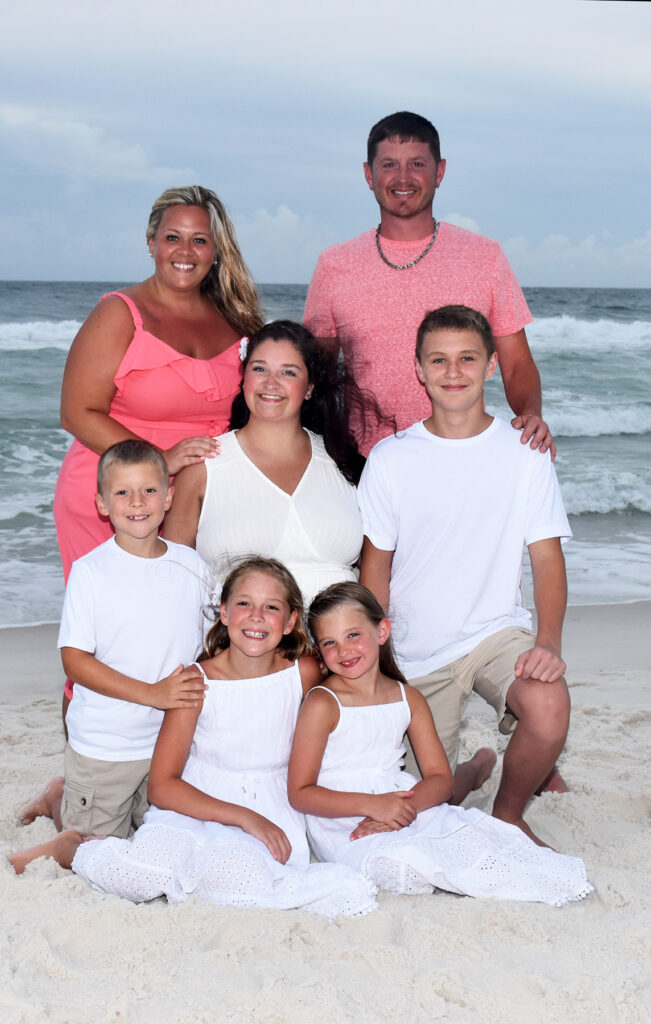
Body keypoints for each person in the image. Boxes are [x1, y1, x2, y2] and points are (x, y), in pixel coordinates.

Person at [358, 306, 572, 844]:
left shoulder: (525, 453)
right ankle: (473, 770)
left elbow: (547, 558)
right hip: (415, 651)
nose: (453, 373)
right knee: (419, 810)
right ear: (419, 370)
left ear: (492, 366)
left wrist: (547, 641)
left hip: (493, 634)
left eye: (467, 359)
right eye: (439, 360)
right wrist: (372, 657)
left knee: (547, 703)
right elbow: (375, 567)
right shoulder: (390, 458)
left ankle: (509, 811)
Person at [54, 185, 263, 711]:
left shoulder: (237, 321)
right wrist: (157, 463)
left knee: (181, 637)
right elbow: (77, 411)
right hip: (115, 496)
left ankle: (162, 774)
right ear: (150, 242)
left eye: (199, 240)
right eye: (173, 237)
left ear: (217, 251)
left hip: (195, 501)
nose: (185, 251)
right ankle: (83, 777)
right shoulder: (120, 313)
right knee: (105, 641)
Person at [70, 559, 377, 916]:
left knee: (242, 879)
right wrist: (242, 816)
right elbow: (162, 787)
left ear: (291, 621)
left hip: (271, 806)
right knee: (142, 879)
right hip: (198, 804)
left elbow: (351, 715)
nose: (256, 616)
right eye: (244, 603)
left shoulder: (304, 673)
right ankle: (72, 845)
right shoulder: (196, 682)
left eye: (271, 607)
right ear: (225, 613)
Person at [288, 582, 593, 905]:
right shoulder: (323, 703)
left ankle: (477, 768)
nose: (344, 650)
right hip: (342, 816)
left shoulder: (408, 698)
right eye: (329, 642)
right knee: (402, 866)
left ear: (381, 631)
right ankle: (477, 768)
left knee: (477, 840)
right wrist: (374, 806)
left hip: (405, 801)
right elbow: (300, 792)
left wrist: (400, 809)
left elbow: (440, 780)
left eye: (353, 635)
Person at [9, 440, 210, 874]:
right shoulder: (91, 572)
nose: (137, 502)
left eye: (150, 491)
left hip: (169, 744)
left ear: (169, 496)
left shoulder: (193, 566)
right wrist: (153, 693)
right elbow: (76, 663)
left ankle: (62, 797)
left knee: (152, 838)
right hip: (107, 744)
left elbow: (206, 645)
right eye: (122, 492)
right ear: (102, 503)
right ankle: (62, 810)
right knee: (98, 849)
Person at [304, 111, 554, 456]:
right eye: (389, 165)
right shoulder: (334, 265)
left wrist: (530, 416)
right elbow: (317, 376)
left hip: (464, 457)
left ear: (440, 172)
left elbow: (516, 364)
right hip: (364, 464)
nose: (402, 177)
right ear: (368, 174)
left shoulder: (485, 257)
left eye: (417, 164)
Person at [163, 320, 373, 606]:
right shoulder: (203, 468)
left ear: (309, 387)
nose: (271, 383)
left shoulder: (345, 464)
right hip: (238, 644)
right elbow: (174, 581)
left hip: (338, 647)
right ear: (244, 378)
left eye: (288, 372)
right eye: (259, 368)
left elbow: (376, 572)